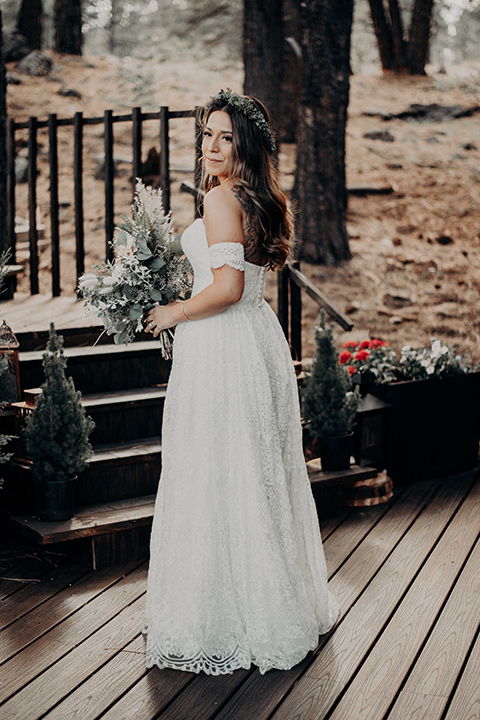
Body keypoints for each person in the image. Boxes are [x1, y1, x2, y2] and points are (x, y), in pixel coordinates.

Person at [142, 88, 339, 675]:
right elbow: (234, 278)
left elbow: (225, 289)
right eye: (208, 134)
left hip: (225, 349)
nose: (213, 145)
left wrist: (173, 311)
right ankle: (266, 602)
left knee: (219, 471)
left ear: (245, 146)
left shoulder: (224, 198)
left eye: (227, 137)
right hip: (254, 340)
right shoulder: (250, 196)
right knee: (252, 475)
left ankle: (230, 616)